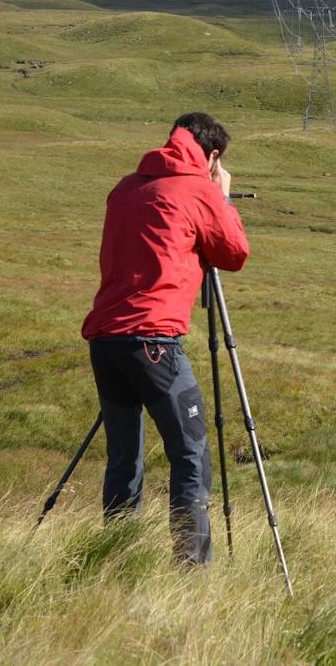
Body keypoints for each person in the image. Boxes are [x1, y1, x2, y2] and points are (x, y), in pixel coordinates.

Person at [81, 112, 250, 564]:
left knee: (124, 459)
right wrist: (223, 198)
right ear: (211, 156)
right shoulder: (198, 190)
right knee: (191, 453)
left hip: (106, 340)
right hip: (154, 342)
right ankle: (191, 569)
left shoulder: (125, 187)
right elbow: (233, 254)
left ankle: (118, 561)